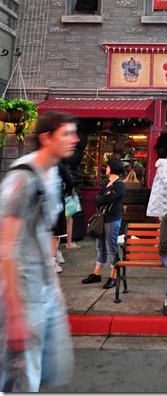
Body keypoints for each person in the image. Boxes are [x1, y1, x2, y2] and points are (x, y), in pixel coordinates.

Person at [0, 111, 79, 392]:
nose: (74, 139)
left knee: (49, 369)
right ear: (46, 138)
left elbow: (44, 232)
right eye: (66, 134)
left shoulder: (53, 175)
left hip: (44, 292)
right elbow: (6, 247)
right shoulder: (23, 178)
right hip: (23, 293)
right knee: (21, 378)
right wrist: (15, 314)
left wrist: (53, 285)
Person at [82, 158, 125, 289]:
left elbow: (108, 198)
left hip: (112, 219)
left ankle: (113, 276)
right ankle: (97, 273)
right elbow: (96, 200)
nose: (106, 168)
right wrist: (103, 197)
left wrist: (103, 197)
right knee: (100, 246)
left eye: (108, 166)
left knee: (111, 247)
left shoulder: (119, 185)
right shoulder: (107, 183)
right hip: (102, 219)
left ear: (113, 168)